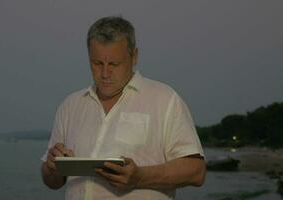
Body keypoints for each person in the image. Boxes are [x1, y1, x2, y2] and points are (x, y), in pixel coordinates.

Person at [41, 16, 206, 200]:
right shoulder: (70, 105)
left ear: (134, 56)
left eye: (114, 64)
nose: (105, 73)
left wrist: (140, 177)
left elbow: (196, 171)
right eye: (97, 63)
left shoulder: (165, 99)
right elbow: (51, 182)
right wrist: (52, 167)